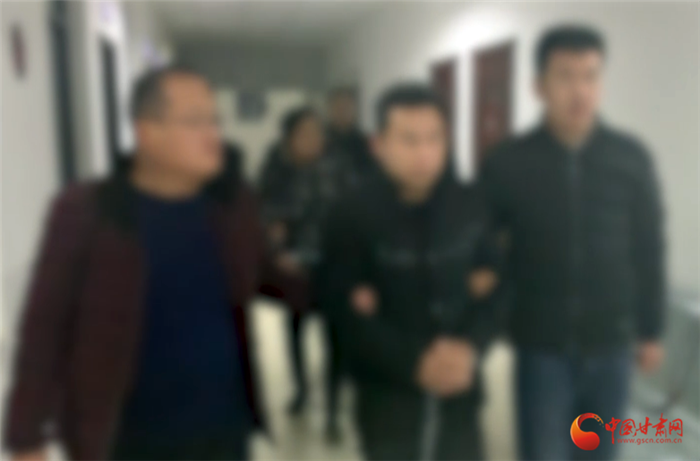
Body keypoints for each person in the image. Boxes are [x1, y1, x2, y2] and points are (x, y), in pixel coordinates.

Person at [2, 65, 265, 461]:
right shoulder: (88, 211)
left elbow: (269, 275)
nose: (214, 135)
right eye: (195, 122)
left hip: (222, 430)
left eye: (215, 121)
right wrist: (26, 436)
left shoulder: (230, 206)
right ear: (147, 132)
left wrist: (348, 282)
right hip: (126, 438)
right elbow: (45, 327)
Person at [480, 25, 666, 461]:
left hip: (612, 344)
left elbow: (648, 246)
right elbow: (482, 244)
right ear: (539, 86)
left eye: (590, 76)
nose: (579, 91)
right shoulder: (508, 162)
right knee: (544, 452)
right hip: (541, 345)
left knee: (600, 452)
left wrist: (651, 329)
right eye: (565, 76)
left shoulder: (630, 157)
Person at [321, 84, 501, 460]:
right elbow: (340, 313)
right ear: (379, 145)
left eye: (434, 139)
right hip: (388, 397)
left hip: (460, 389)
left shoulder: (471, 204)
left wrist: (471, 348)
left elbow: (498, 288)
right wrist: (413, 362)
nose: (424, 154)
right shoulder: (350, 215)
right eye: (409, 140)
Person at [257, 107, 352, 444]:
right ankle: (300, 391)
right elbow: (263, 213)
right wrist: (276, 248)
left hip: (333, 265)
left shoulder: (337, 166)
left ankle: (332, 413)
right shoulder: (275, 168)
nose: (315, 139)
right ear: (289, 137)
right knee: (295, 330)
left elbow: (354, 210)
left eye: (318, 132)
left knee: (335, 339)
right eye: (306, 133)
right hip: (293, 268)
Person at [325, 86, 374, 181]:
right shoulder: (321, 141)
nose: (342, 112)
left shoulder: (365, 143)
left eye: (346, 107)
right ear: (330, 109)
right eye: (338, 107)